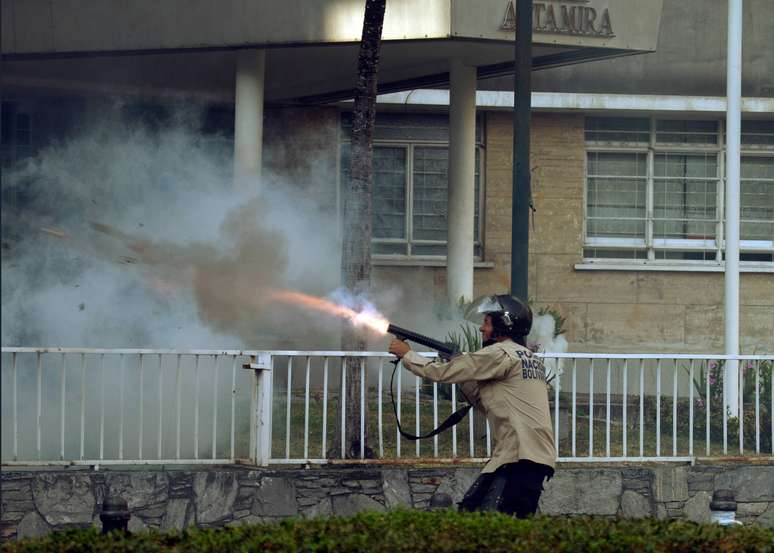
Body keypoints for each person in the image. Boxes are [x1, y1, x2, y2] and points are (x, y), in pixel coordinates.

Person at [388, 294, 555, 518]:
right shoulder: (529, 358)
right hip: (529, 456)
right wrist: (459, 367)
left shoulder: (498, 353)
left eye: (486, 323)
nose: (481, 329)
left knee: (485, 521)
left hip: (518, 456)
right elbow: (484, 401)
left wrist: (407, 354)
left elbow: (439, 373)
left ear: (502, 326)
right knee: (478, 514)